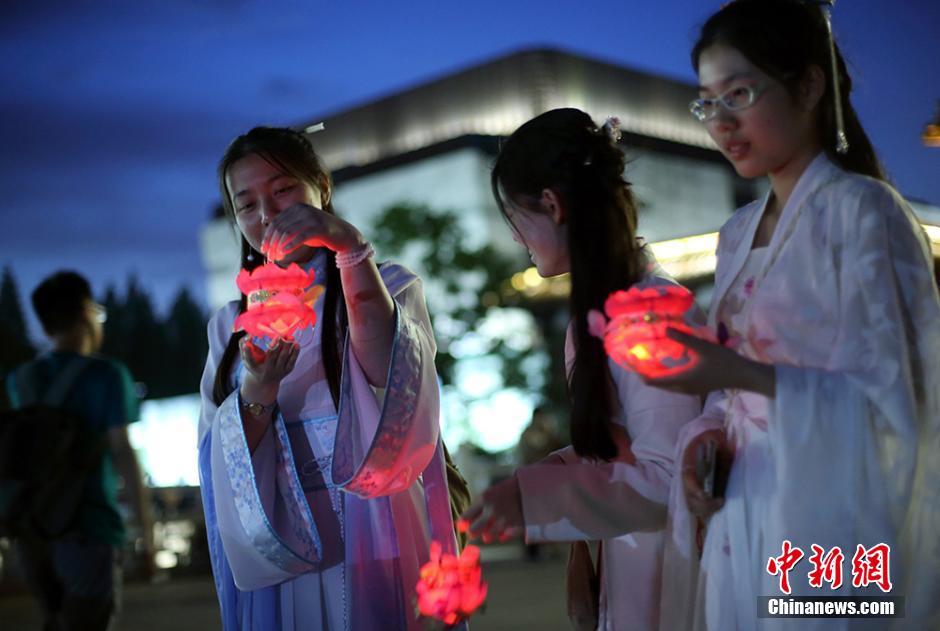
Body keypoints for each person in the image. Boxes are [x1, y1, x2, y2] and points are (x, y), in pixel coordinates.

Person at [650, 1, 940, 629]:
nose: (722, 123)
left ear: (809, 86)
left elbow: (897, 407)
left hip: (829, 523)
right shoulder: (736, 234)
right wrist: (707, 438)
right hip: (742, 513)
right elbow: (728, 397)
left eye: (740, 93)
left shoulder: (863, 213)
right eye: (707, 103)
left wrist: (738, 371)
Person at [199, 126, 459, 630]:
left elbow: (393, 376)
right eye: (246, 204)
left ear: (320, 185)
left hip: (375, 524)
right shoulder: (228, 326)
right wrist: (257, 392)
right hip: (281, 537)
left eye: (283, 191)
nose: (268, 215)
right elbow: (217, 455)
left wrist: (350, 246)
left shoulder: (390, 285)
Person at [461, 108, 702, 630]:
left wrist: (536, 498)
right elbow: (632, 444)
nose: (518, 239)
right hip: (633, 551)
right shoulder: (602, 312)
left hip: (672, 566)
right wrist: (559, 468)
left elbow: (672, 480)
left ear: (551, 204)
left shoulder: (654, 313)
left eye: (515, 220)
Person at [6, 271, 153, 631]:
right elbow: (123, 454)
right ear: (87, 313)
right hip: (89, 530)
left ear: (44, 326)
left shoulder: (19, 379)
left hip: (31, 534)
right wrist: (147, 533)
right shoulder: (106, 375)